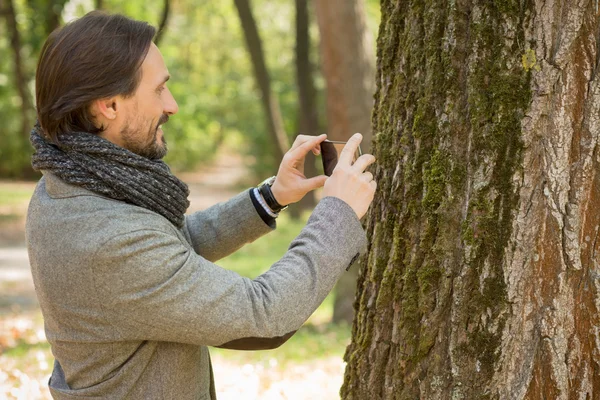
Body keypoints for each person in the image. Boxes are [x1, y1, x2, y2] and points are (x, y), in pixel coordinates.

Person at [26, 11, 376, 400]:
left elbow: (169, 248)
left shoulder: (65, 184)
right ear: (108, 106)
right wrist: (337, 213)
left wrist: (270, 197)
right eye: (159, 90)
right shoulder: (105, 237)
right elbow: (266, 317)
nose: (172, 106)